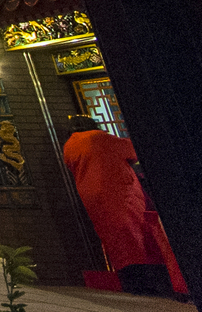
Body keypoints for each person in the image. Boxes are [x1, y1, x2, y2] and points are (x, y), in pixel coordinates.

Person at [62, 115, 188, 298]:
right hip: (119, 191)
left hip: (92, 196)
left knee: (115, 240)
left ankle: (129, 281)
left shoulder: (69, 146)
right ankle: (148, 284)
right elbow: (133, 150)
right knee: (136, 237)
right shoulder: (98, 137)